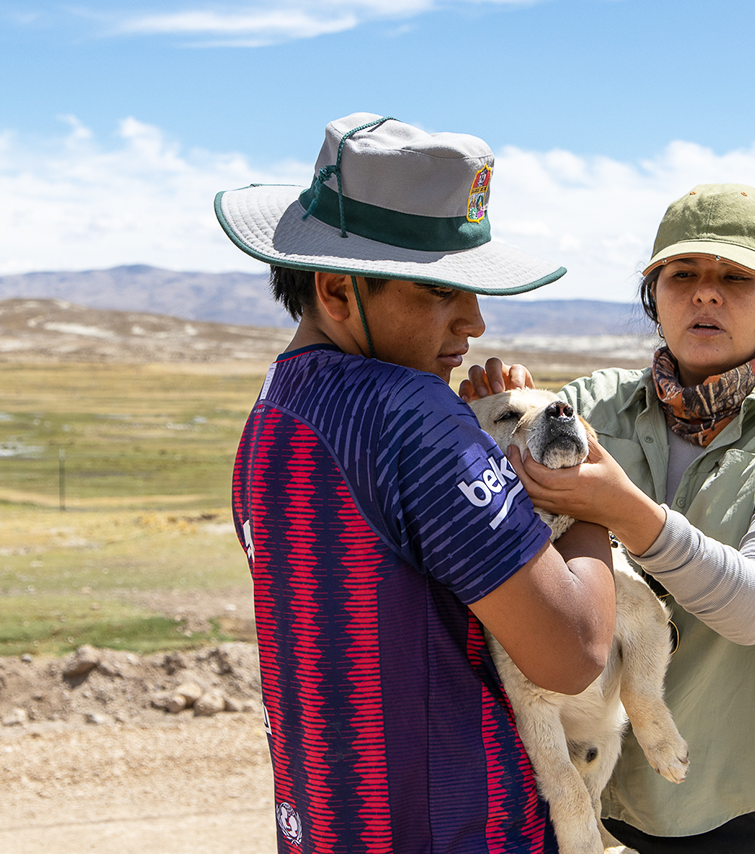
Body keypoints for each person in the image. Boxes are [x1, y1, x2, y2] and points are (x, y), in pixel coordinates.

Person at [216, 113, 616, 853]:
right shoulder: (415, 414)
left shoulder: (273, 407)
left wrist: (482, 457)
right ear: (337, 292)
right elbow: (573, 652)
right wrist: (577, 488)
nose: (473, 322)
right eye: (440, 291)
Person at [462, 183, 755, 853]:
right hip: (591, 803)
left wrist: (620, 511)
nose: (704, 293)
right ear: (655, 296)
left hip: (735, 807)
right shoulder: (592, 404)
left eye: (735, 277)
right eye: (682, 275)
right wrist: (495, 422)